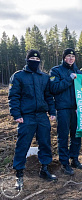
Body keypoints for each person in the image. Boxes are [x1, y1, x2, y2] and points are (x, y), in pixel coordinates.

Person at [8, 50, 57, 190]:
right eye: (32, 57)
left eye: (37, 58)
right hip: (26, 117)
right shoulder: (18, 76)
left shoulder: (44, 77)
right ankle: (19, 175)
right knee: (23, 144)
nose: (34, 60)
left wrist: (52, 111)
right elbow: (13, 97)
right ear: (27, 59)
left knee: (45, 143)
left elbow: (48, 96)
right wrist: (16, 114)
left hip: (42, 116)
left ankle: (44, 169)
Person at [50, 48, 82, 176]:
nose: (71, 58)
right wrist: (69, 79)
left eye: (73, 56)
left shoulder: (78, 71)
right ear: (64, 58)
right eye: (68, 56)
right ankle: (65, 163)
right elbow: (54, 88)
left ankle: (74, 159)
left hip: (76, 109)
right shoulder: (56, 71)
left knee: (76, 135)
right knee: (63, 137)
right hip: (63, 109)